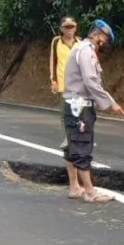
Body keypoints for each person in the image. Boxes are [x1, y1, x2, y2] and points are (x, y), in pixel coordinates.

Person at [62, 19, 124, 203]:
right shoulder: (85, 51)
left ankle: (75, 187)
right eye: (105, 38)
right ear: (96, 35)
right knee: (82, 145)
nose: (105, 43)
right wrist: (111, 103)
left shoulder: (82, 49)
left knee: (71, 144)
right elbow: (91, 81)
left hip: (74, 104)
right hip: (79, 106)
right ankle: (89, 191)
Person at [49, 16, 82, 149]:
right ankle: (68, 137)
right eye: (66, 27)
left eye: (72, 26)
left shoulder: (80, 42)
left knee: (79, 112)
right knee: (65, 113)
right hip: (63, 84)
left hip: (77, 84)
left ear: (76, 28)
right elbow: (53, 61)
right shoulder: (56, 41)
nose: (69, 30)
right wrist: (53, 80)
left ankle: (78, 137)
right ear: (61, 29)